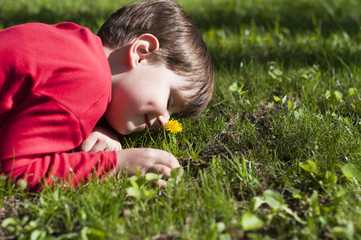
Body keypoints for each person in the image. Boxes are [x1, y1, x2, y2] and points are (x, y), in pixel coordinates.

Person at [0, 0, 214, 191]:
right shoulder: (90, 82)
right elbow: (15, 170)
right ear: (141, 53)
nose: (164, 120)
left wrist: (104, 127)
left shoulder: (73, 42)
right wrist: (115, 165)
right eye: (169, 101)